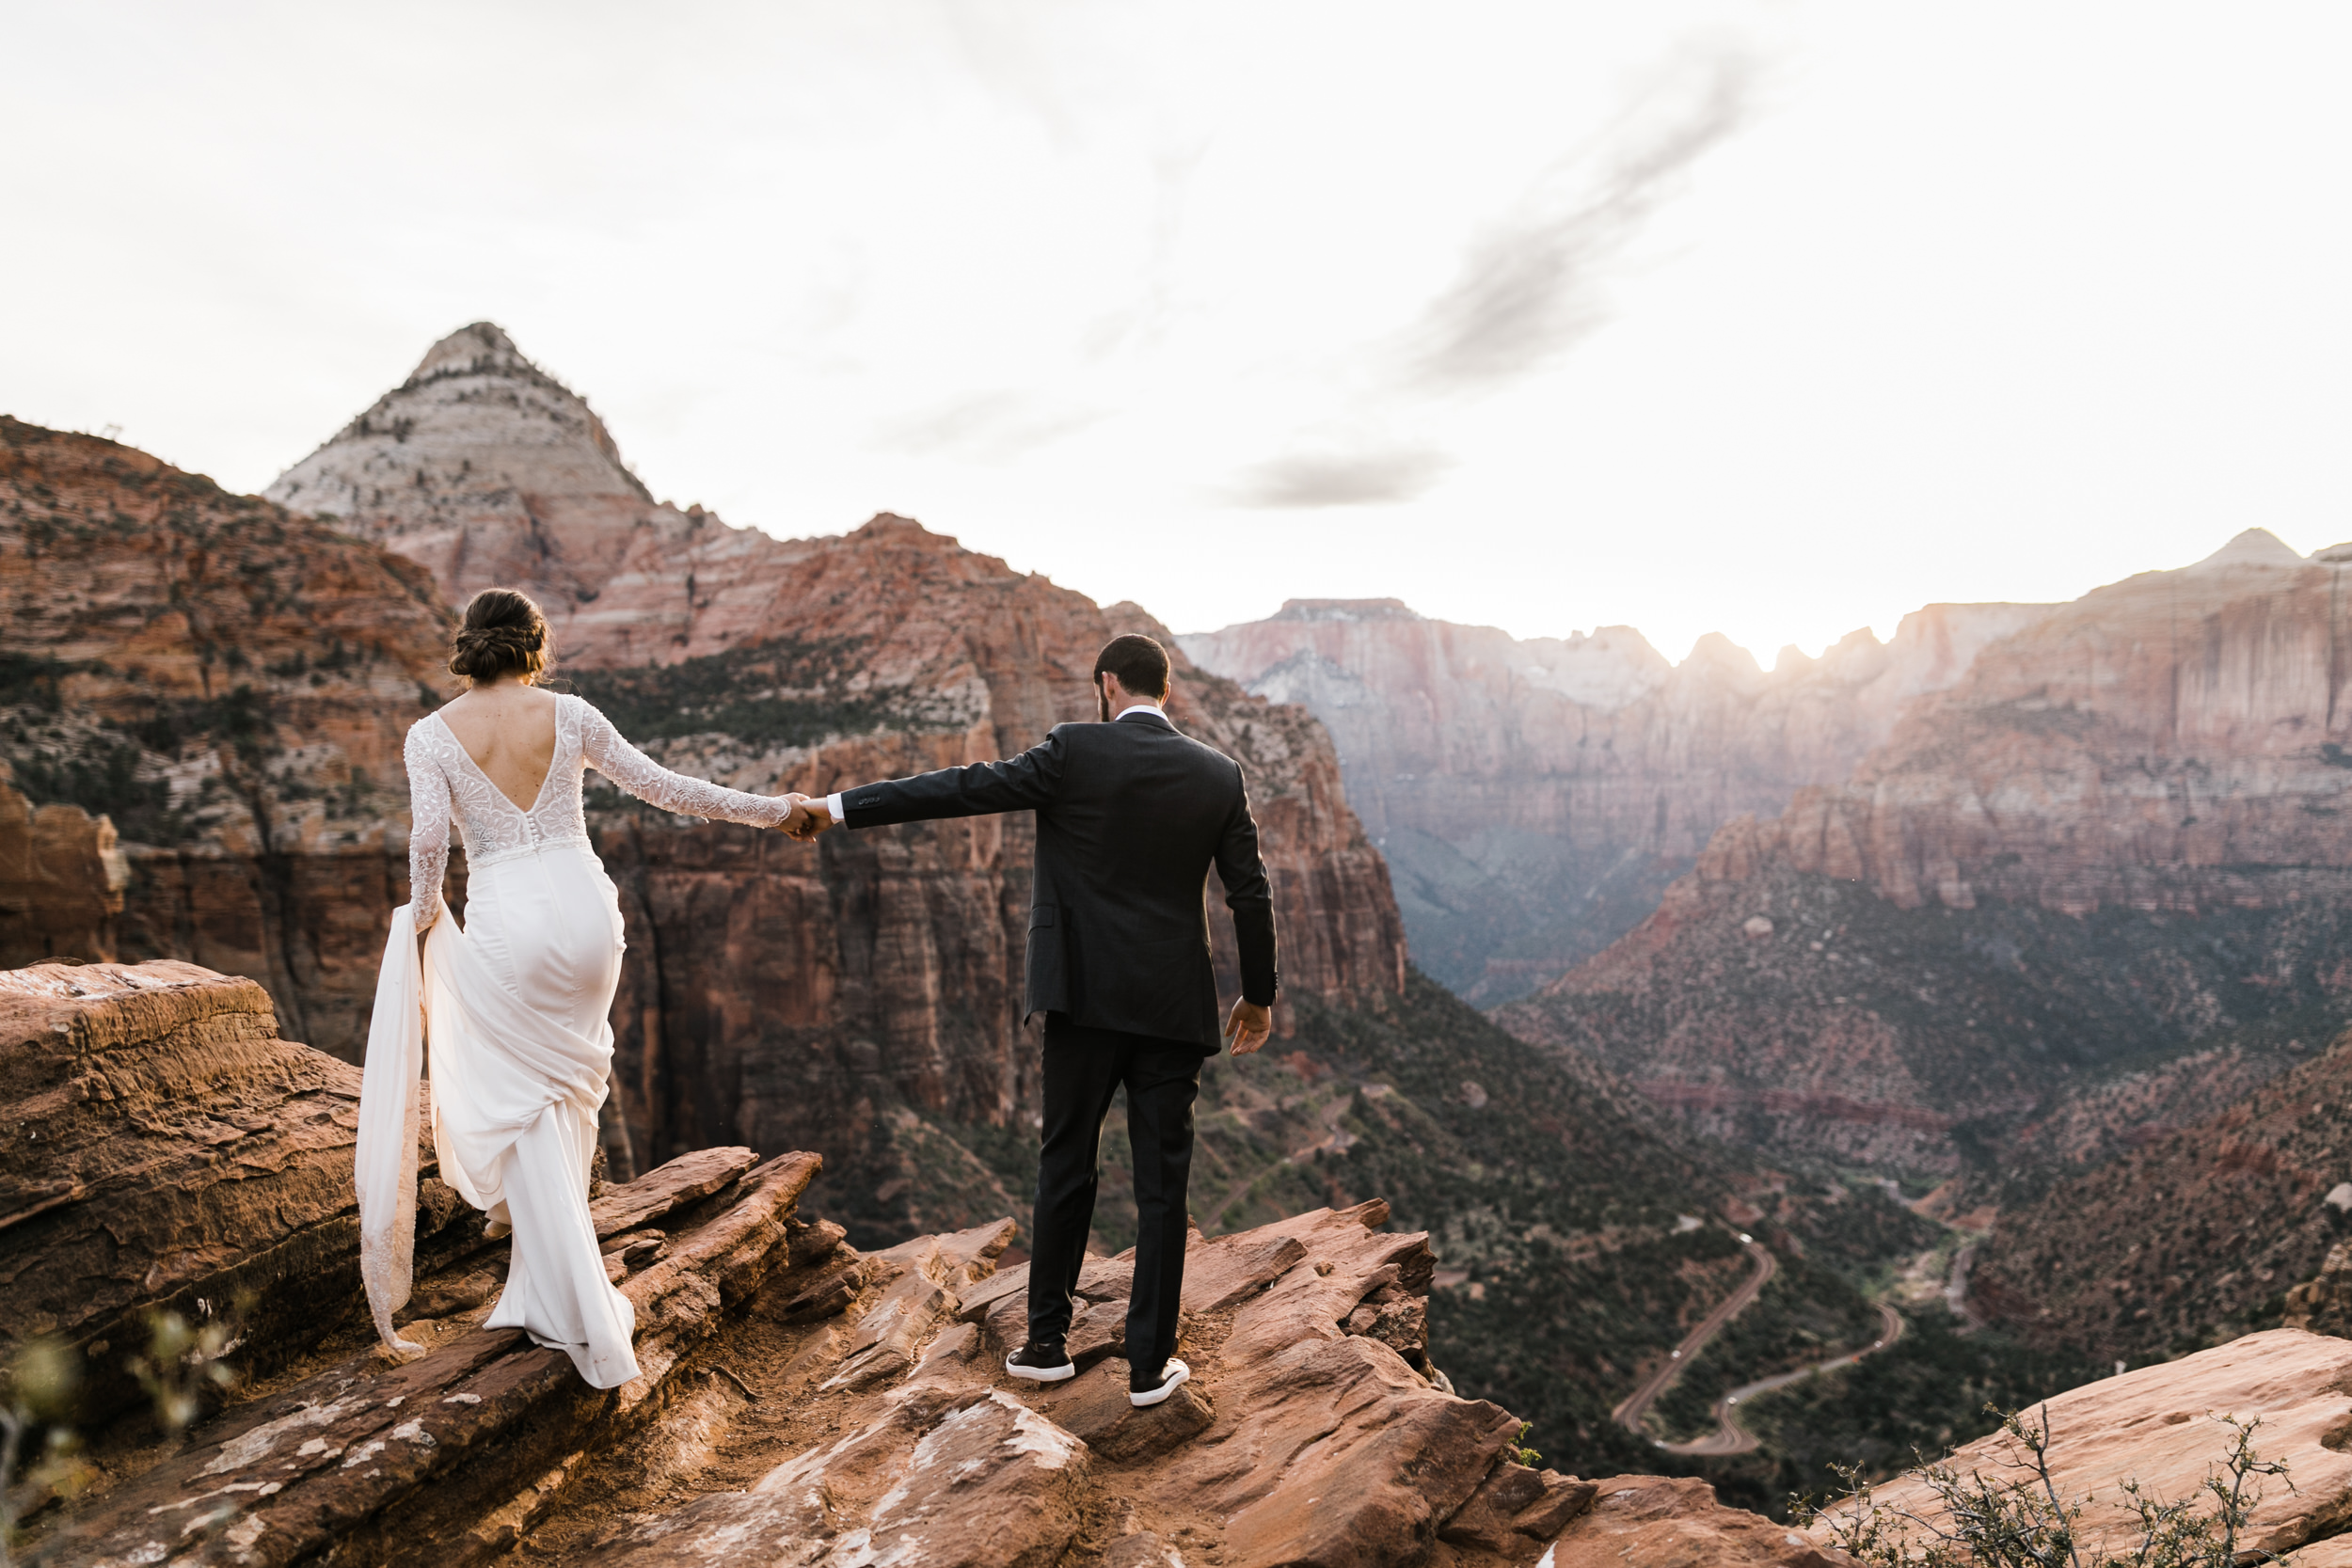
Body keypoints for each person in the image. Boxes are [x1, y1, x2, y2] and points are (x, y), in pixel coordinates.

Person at [781, 633, 1277, 1408]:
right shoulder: (1218, 773)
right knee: (1162, 1186)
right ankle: (1151, 1366)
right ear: (1167, 691)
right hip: (1173, 1007)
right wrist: (1259, 992)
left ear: (1107, 684)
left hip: (1080, 996)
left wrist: (837, 809)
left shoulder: (1074, 751)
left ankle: (1045, 1343)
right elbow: (1251, 891)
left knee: (1066, 1164)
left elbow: (960, 787)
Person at [355, 588, 798, 1387]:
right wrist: (777, 811)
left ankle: (571, 1303)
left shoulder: (431, 734)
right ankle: (540, 1282)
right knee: (570, 1091)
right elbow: (668, 787)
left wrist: (421, 924)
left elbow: (428, 840)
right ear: (534, 646)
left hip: (505, 923)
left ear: (467, 647)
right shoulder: (572, 716)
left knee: (524, 1097)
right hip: (589, 918)